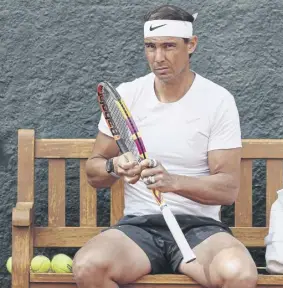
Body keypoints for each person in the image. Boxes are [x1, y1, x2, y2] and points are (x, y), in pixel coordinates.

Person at [72, 4, 258, 288]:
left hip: (200, 229)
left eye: (169, 46)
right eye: (151, 46)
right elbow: (94, 171)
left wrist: (172, 182)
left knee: (239, 274)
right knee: (88, 267)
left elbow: (228, 189)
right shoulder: (128, 96)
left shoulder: (217, 100)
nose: (158, 57)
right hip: (139, 228)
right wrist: (114, 166)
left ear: (191, 44)